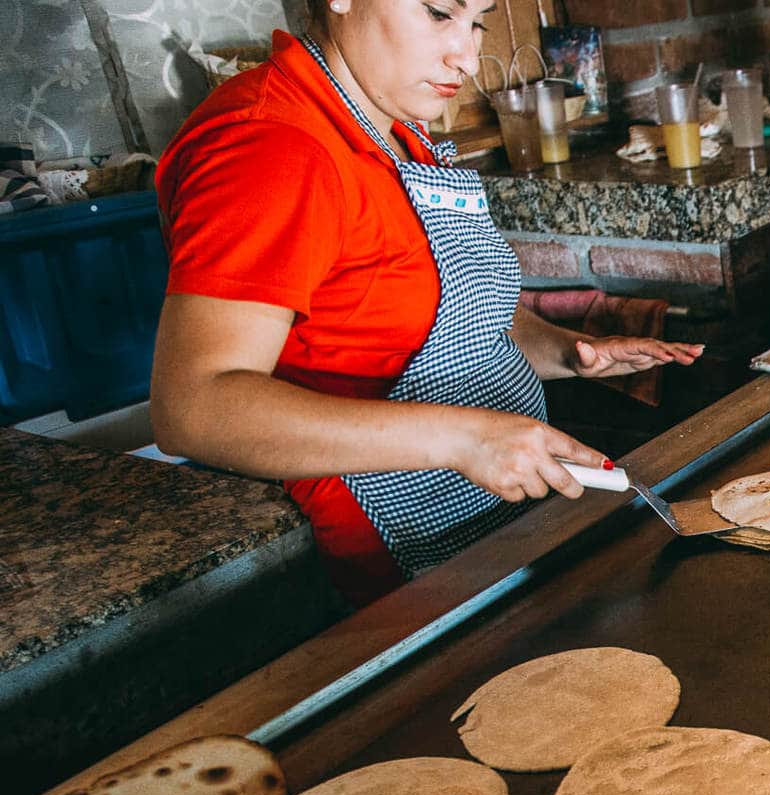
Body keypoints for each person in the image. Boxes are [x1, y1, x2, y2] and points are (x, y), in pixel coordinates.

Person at [151, 0, 704, 607]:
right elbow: (193, 408)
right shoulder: (272, 146)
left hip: (477, 511)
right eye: (440, 13)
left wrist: (569, 352)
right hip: (395, 551)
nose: (465, 56)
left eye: (476, 23)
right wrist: (463, 439)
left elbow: (461, 312)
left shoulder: (390, 124)